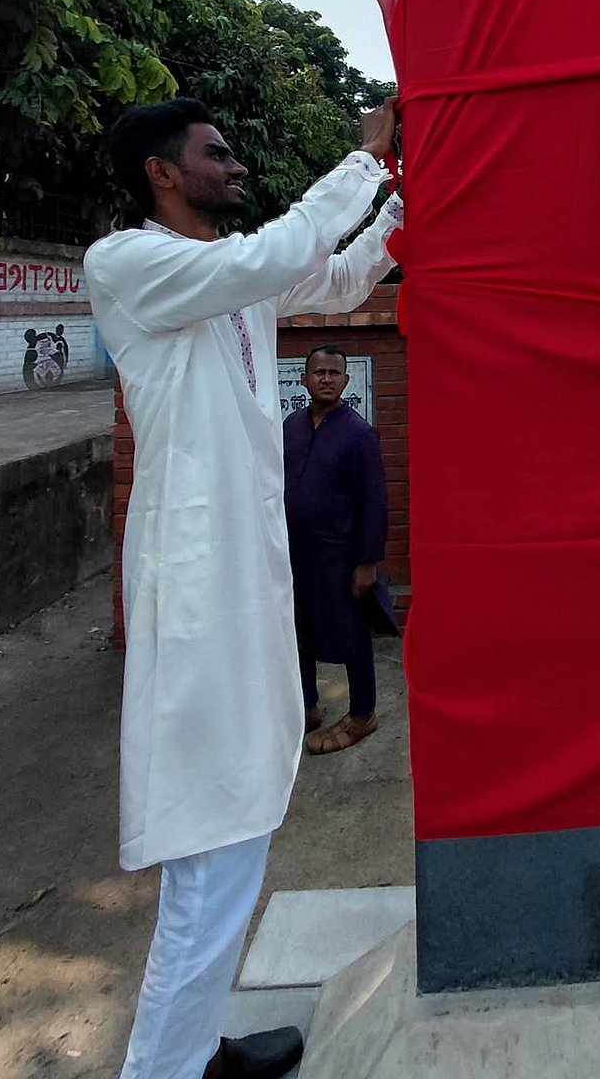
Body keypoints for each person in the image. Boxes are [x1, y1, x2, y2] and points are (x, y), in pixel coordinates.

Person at [85, 97, 402, 1079]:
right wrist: (364, 160)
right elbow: (271, 257)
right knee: (210, 846)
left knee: (240, 829)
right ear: (160, 173)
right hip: (196, 597)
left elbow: (334, 278)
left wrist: (398, 214)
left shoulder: (221, 283)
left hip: (243, 586)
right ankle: (166, 1068)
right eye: (213, 153)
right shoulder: (129, 262)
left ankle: (196, 1044)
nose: (233, 163)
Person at [283, 345, 399, 755]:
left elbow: (374, 501)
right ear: (305, 379)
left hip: (341, 558)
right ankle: (308, 705)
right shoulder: (291, 426)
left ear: (347, 382)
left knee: (351, 636)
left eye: (335, 372)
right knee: (297, 631)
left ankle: (363, 712)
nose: (327, 378)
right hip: (296, 555)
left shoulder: (358, 433)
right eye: (319, 371)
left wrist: (367, 562)